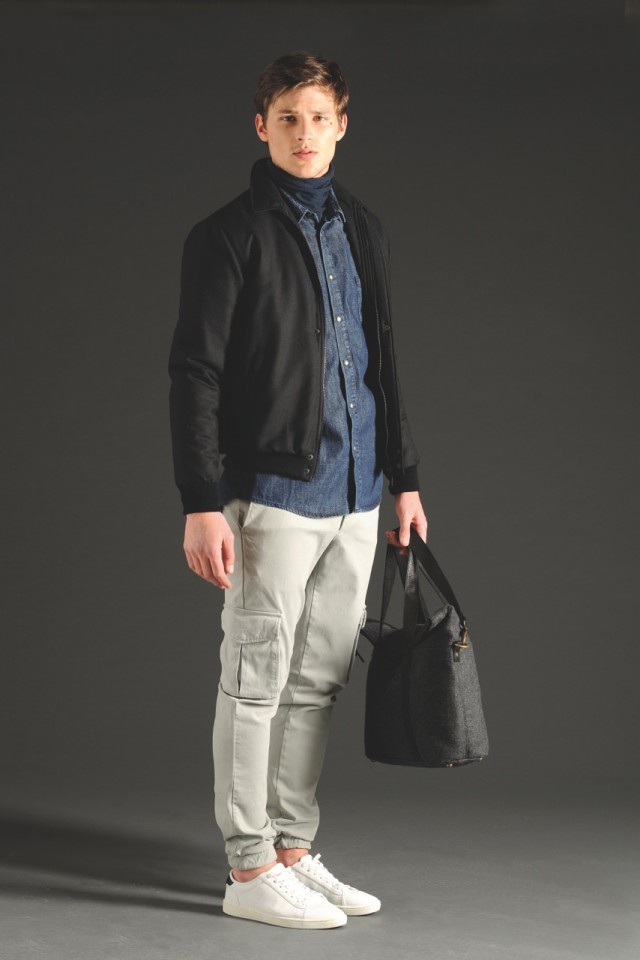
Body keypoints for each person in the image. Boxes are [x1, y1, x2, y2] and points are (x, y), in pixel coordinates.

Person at [168, 51, 427, 930]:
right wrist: (200, 499)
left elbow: (382, 362)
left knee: (317, 683)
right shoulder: (227, 235)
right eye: (288, 118)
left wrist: (405, 479)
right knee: (255, 682)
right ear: (261, 127)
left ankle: (291, 849)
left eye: (319, 118)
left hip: (358, 494)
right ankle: (247, 869)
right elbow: (194, 372)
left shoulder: (364, 227)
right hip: (273, 494)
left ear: (342, 125)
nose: (305, 134)